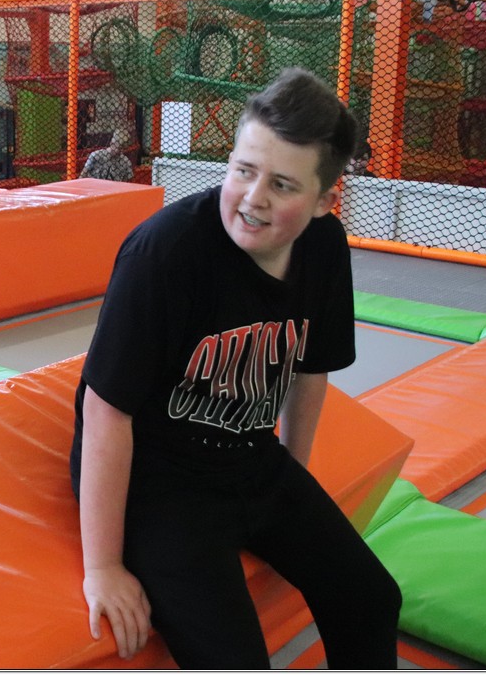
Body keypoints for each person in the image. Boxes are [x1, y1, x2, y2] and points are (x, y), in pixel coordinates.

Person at [71, 68, 401, 668]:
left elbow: (310, 371)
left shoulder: (324, 248)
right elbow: (106, 408)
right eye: (243, 170)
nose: (253, 198)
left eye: (282, 184)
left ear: (325, 201)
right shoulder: (165, 253)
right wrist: (104, 566)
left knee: (372, 598)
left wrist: (293, 483)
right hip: (158, 483)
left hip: (250, 458)